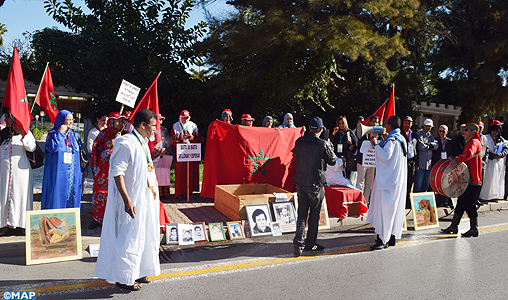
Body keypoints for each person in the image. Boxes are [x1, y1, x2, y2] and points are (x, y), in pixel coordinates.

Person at [95, 109, 160, 291]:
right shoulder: (126, 142)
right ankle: (124, 277)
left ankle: (138, 270)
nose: (155, 130)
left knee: (144, 235)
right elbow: (118, 172)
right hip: (132, 200)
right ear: (142, 125)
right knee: (129, 238)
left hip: (146, 199)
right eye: (153, 126)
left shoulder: (143, 142)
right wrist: (127, 200)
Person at [293, 117, 337, 256]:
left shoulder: (300, 141)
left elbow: (295, 156)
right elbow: (333, 161)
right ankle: (310, 243)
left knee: (301, 215)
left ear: (309, 127)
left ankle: (298, 244)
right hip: (315, 184)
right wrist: (330, 146)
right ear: (321, 129)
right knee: (314, 216)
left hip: (301, 182)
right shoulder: (323, 144)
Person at [367, 116, 407, 250]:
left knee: (384, 211)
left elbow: (385, 156)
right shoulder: (401, 138)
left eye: (386, 123)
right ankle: (392, 238)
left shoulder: (392, 140)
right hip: (397, 180)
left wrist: (375, 145)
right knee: (393, 210)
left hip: (388, 182)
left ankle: (382, 239)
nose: (384, 125)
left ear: (390, 125)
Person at [441, 123, 483, 237]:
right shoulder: (471, 141)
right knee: (461, 203)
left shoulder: (474, 142)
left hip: (472, 180)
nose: (464, 132)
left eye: (466, 130)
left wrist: (458, 159)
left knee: (469, 203)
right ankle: (454, 226)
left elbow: (469, 154)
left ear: (474, 132)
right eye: (463, 130)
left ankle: (474, 228)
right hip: (469, 179)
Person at [89, 112, 128, 230]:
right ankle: (97, 218)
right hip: (104, 171)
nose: (120, 123)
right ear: (111, 122)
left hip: (120, 170)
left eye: (122, 121)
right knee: (100, 193)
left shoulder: (125, 134)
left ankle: (117, 221)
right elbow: (96, 148)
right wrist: (110, 142)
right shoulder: (103, 134)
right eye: (117, 121)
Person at [41, 110, 88, 209]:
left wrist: (85, 169)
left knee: (72, 195)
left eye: (72, 119)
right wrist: (60, 133)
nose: (71, 122)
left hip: (73, 173)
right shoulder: (53, 134)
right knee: (57, 195)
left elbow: (81, 152)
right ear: (62, 120)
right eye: (68, 120)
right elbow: (51, 148)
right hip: (58, 172)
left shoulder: (75, 135)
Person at [0, 112, 37, 236]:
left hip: (21, 174)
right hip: (4, 174)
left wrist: (23, 133)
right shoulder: (3, 133)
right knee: (4, 197)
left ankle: (22, 225)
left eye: (7, 117)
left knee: (21, 197)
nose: (5, 119)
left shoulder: (26, 133)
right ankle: (4, 224)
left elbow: (31, 147)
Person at [172, 110, 202, 198]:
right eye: (183, 118)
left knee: (190, 172)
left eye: (187, 118)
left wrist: (191, 142)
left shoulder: (193, 126)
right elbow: (172, 140)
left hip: (190, 153)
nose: (185, 119)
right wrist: (181, 142)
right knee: (181, 173)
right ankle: (180, 192)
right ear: (180, 118)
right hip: (181, 155)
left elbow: (198, 138)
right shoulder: (175, 126)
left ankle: (189, 192)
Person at [479, 120, 508, 202]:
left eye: (496, 131)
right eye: (493, 131)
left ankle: (494, 196)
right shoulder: (485, 138)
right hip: (489, 162)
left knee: (497, 179)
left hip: (498, 163)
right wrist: (493, 156)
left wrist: (502, 154)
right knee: (488, 179)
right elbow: (484, 150)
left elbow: (506, 148)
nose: (495, 133)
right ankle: (485, 196)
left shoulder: (502, 140)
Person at [356, 116, 380, 205]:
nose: (374, 123)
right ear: (369, 122)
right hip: (362, 162)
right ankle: (358, 203)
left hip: (372, 162)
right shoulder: (364, 132)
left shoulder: (378, 134)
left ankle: (365, 203)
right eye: (373, 121)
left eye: (376, 122)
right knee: (360, 182)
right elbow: (359, 146)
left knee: (369, 184)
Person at [431, 124, 454, 207]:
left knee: (445, 183)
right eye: (440, 131)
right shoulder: (435, 140)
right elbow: (433, 152)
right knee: (436, 183)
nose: (441, 132)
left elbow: (452, 153)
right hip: (437, 165)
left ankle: (444, 201)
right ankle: (437, 201)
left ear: (447, 132)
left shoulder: (450, 142)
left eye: (443, 131)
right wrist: (439, 158)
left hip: (446, 165)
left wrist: (448, 159)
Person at [152, 114, 173, 198]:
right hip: (154, 155)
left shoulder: (164, 130)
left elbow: (169, 140)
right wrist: (158, 151)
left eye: (161, 120)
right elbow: (150, 143)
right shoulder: (151, 129)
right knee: (155, 174)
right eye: (158, 120)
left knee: (164, 174)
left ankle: (165, 194)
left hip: (163, 155)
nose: (160, 122)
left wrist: (166, 150)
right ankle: (157, 194)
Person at [413, 119, 438, 193]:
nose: (428, 128)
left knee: (425, 186)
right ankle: (415, 203)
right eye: (427, 126)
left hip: (428, 165)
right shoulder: (419, 134)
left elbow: (436, 145)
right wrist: (430, 146)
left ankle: (422, 203)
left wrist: (428, 145)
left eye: (429, 126)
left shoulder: (430, 135)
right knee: (418, 186)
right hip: (420, 165)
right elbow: (421, 146)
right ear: (423, 125)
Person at [402, 116, 417, 208]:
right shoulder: (400, 133)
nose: (407, 124)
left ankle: (407, 202)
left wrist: (417, 163)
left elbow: (417, 150)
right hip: (403, 161)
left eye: (409, 123)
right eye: (406, 122)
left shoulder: (414, 135)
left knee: (410, 182)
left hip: (412, 162)